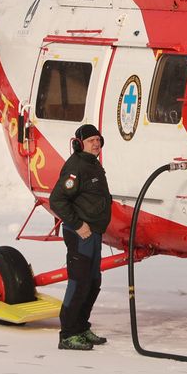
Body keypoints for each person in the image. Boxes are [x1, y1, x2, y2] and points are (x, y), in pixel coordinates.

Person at [49, 124, 112, 351]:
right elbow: (57, 199)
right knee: (79, 282)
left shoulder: (92, 164)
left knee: (93, 283)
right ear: (79, 144)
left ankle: (81, 327)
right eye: (90, 140)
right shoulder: (75, 167)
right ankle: (68, 334)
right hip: (81, 234)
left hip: (93, 233)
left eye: (98, 139)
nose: (96, 144)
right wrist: (77, 224)